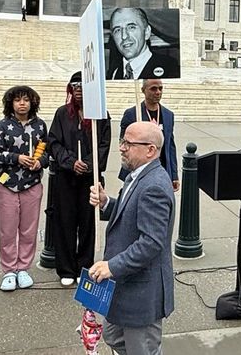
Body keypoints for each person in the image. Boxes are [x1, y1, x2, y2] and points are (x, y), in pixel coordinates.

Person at [88, 122, 175, 355]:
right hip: (126, 284)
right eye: (122, 141)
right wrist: (107, 203)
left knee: (142, 349)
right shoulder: (136, 174)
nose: (122, 148)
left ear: (150, 150)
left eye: (129, 143)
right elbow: (130, 213)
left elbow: (151, 243)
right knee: (112, 335)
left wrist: (112, 266)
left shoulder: (154, 186)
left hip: (142, 291)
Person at [48, 72, 111, 286]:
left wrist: (90, 165)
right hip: (66, 178)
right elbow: (54, 143)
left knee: (87, 222)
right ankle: (66, 268)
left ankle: (84, 265)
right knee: (65, 221)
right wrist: (70, 161)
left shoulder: (101, 114)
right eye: (74, 85)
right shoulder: (62, 114)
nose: (78, 88)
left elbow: (103, 145)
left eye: (82, 85)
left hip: (89, 178)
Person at [0, 85, 50, 292]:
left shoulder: (40, 126)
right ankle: (9, 270)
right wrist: (16, 158)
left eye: (26, 100)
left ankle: (23, 268)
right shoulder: (2, 126)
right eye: (17, 100)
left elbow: (47, 152)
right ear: (11, 103)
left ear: (33, 102)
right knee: (7, 230)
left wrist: (39, 162)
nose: (22, 103)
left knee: (28, 230)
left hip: (32, 184)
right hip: (7, 184)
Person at [119, 79, 178, 191]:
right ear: (143, 90)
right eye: (153, 88)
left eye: (160, 88)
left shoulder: (168, 115)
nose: (158, 92)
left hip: (161, 170)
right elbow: (124, 143)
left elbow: (170, 146)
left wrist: (174, 175)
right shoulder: (132, 114)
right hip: (137, 169)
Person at [107, 7, 180, 79]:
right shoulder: (113, 74)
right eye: (117, 30)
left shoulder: (169, 68)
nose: (124, 36)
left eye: (131, 27)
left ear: (146, 32)